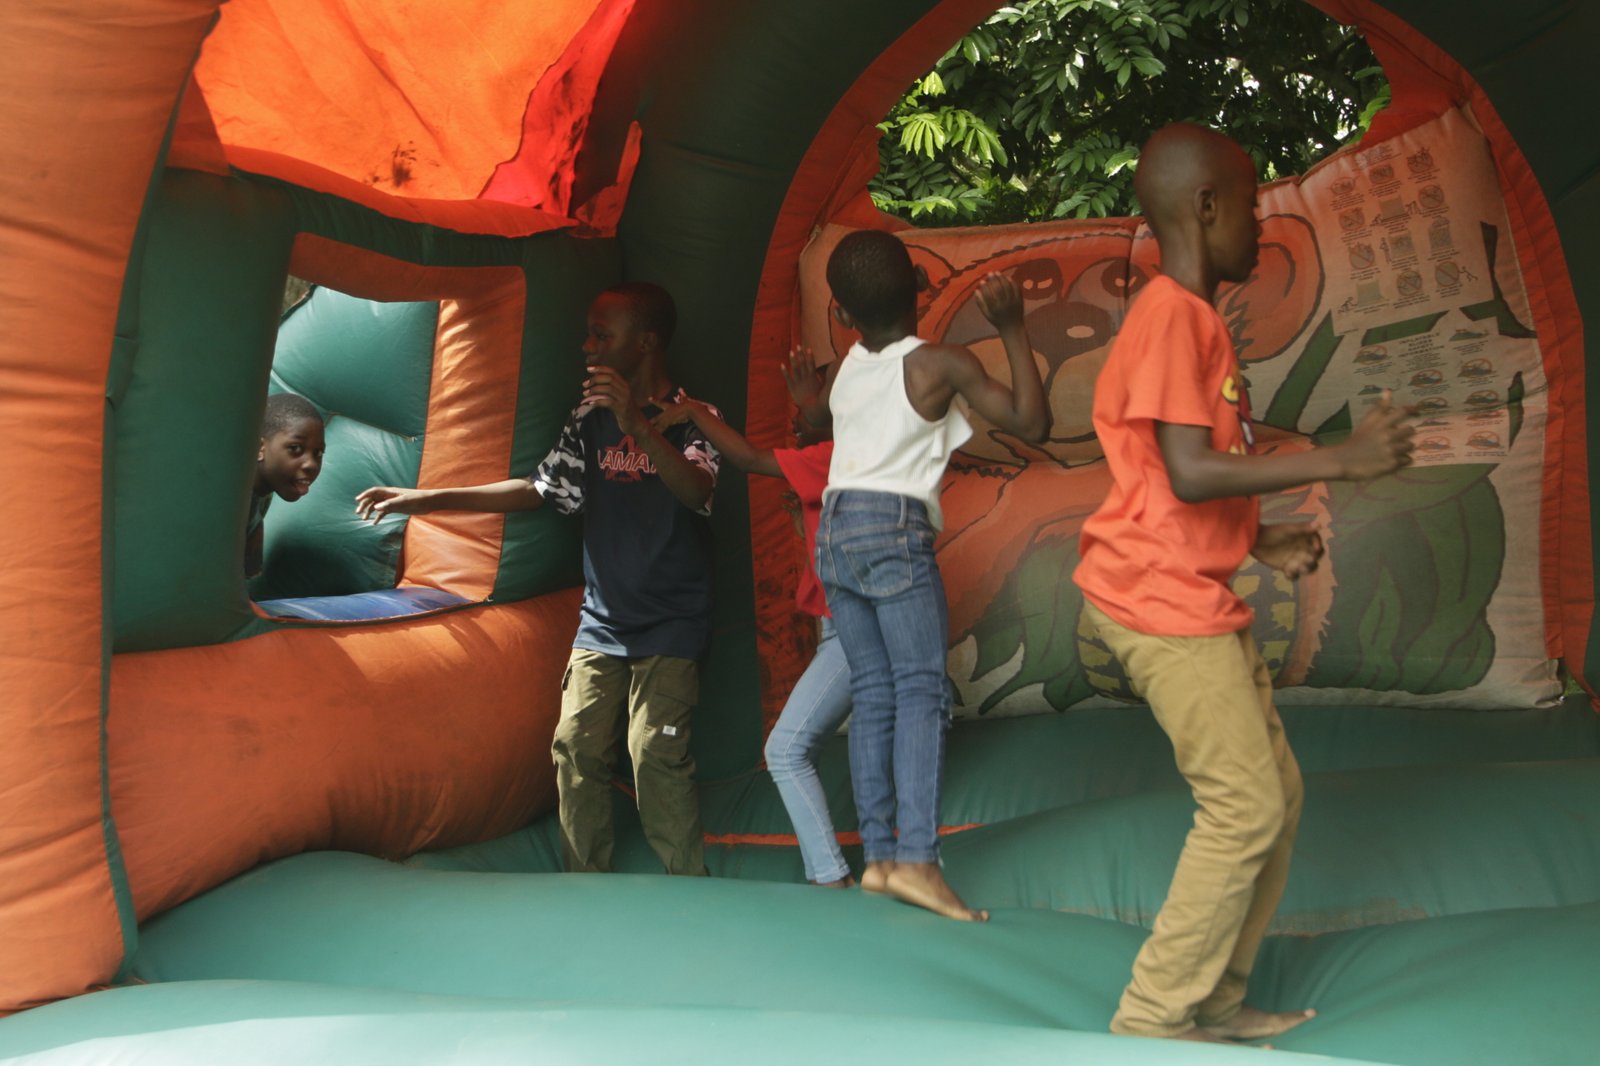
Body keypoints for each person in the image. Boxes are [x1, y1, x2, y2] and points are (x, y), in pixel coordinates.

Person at [1072, 123, 1416, 1044]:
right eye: (1254, 203)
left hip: (1186, 587)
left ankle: (1216, 1002)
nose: (1262, 222)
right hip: (1158, 601)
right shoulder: (1171, 317)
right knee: (1244, 805)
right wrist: (1340, 460)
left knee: (1279, 796)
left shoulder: (1191, 319)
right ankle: (1154, 1015)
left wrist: (1256, 537)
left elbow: (1165, 477)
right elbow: (1188, 470)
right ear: (1206, 207)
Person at [355, 282, 718, 877]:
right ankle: (585, 889)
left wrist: (637, 422)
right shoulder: (590, 417)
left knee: (654, 752)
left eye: (601, 335)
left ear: (646, 342)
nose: (587, 346)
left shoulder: (693, 418)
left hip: (673, 623)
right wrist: (425, 498)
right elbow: (538, 489)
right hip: (604, 622)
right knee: (575, 747)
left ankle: (691, 894)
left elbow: (696, 490)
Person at [790, 232, 1049, 922]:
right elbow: (1032, 423)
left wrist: (807, 403)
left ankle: (880, 860)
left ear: (842, 315)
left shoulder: (847, 368)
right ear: (921, 284)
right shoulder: (940, 364)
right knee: (921, 693)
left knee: (875, 693)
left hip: (835, 533)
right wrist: (1011, 327)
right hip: (889, 524)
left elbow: (820, 419)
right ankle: (920, 864)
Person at [652, 397, 854, 887]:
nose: (796, 421)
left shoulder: (836, 457)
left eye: (806, 408)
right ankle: (849, 875)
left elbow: (746, 457)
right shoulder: (842, 466)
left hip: (854, 631)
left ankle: (831, 877)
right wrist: (803, 521)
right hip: (846, 626)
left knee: (785, 750)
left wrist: (694, 413)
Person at [247, 392, 325, 577]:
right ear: (259, 448)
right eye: (295, 449)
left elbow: (245, 573)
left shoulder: (263, 493)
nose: (311, 464)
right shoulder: (231, 499)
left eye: (318, 453)